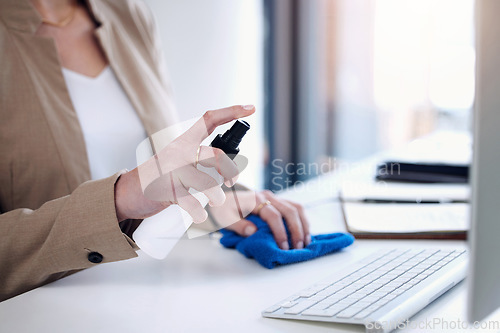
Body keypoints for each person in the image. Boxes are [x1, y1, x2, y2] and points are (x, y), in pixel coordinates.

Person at [0, 0, 310, 302]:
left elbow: (155, 174)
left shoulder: (127, 13)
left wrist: (204, 204)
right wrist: (119, 198)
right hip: (48, 310)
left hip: (154, 291)